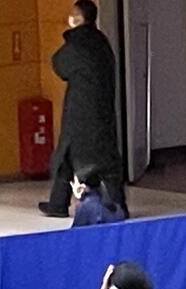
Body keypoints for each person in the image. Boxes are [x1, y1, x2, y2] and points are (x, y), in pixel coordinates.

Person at [39, 0, 128, 219]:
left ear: (78, 18)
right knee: (106, 159)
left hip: (80, 110)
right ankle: (117, 204)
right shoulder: (102, 42)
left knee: (69, 154)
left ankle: (60, 204)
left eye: (73, 14)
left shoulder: (77, 44)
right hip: (103, 109)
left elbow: (59, 64)